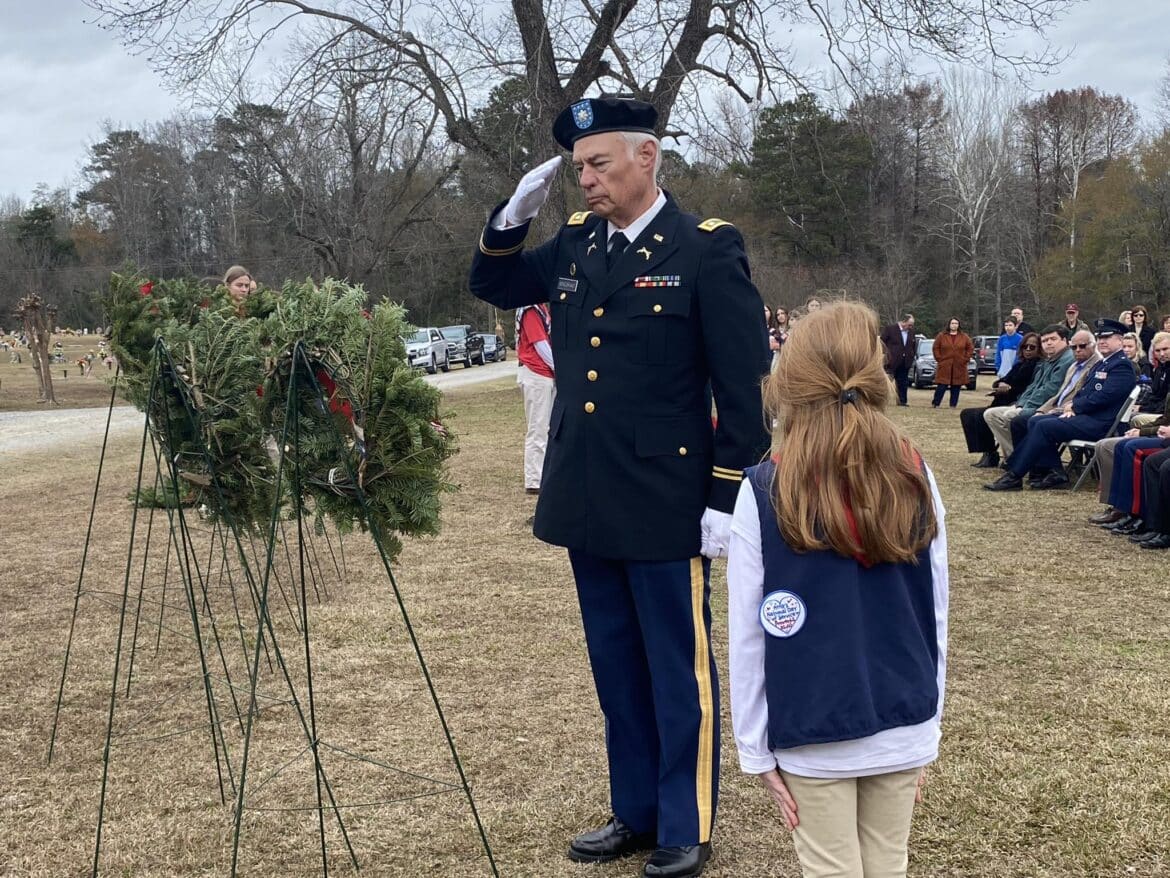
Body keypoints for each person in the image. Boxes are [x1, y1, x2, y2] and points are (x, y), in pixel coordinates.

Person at [468, 95, 770, 878]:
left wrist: (723, 496)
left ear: (648, 157)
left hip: (667, 498)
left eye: (599, 163)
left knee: (675, 669)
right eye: (579, 168)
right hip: (586, 492)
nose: (587, 180)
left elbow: (743, 391)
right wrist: (510, 220)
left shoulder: (705, 248)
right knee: (616, 667)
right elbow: (493, 283)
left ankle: (685, 824)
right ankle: (634, 811)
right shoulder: (575, 242)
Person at [728, 301, 948, 878]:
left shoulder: (763, 489)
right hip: (900, 713)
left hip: (813, 724)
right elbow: (937, 614)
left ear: (790, 384)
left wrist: (755, 748)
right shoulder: (915, 471)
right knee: (887, 866)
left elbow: (747, 636)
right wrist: (926, 725)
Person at [985, 319, 1137, 491]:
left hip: (1101, 422)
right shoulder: (1105, 363)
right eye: (1100, 337)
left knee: (1044, 426)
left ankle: (1014, 475)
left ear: (1120, 340)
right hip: (1087, 416)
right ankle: (1054, 472)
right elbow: (1085, 392)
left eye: (1107, 337)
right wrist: (1071, 404)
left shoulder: (1122, 365)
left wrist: (1075, 407)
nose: (1102, 341)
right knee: (1034, 421)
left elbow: (1105, 397)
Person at [983, 326, 1072, 459]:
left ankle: (1022, 458)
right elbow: (1033, 386)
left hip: (1048, 406)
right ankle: (1016, 457)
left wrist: (1025, 406)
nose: (1048, 343)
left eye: (1053, 339)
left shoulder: (1066, 360)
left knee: (1010, 416)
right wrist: (1020, 404)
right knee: (990, 414)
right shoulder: (1047, 360)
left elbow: (1051, 389)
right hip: (1027, 402)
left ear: (1064, 340)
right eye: (1045, 340)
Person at [962, 332, 1041, 467]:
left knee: (980, 415)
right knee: (968, 414)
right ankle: (989, 452)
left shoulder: (1037, 366)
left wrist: (1009, 388)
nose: (1028, 350)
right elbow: (1000, 381)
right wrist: (1000, 384)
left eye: (1032, 347)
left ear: (1039, 349)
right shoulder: (1019, 365)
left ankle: (994, 454)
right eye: (1025, 347)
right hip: (1002, 400)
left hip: (1015, 402)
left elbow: (1027, 388)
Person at [515, 303, 555, 495]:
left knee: (546, 427)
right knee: (538, 427)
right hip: (536, 373)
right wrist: (559, 366)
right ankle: (534, 479)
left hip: (543, 374)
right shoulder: (530, 309)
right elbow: (540, 344)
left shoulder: (541, 308)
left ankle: (543, 473)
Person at [930, 318, 974, 408]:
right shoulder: (942, 336)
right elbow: (936, 347)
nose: (954, 325)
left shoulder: (964, 336)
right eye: (952, 323)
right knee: (942, 385)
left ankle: (953, 405)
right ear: (949, 324)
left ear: (959, 325)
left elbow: (970, 348)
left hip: (959, 365)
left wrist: (965, 359)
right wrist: (939, 358)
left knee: (956, 386)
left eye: (956, 323)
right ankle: (936, 403)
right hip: (945, 364)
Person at [879, 314, 916, 406]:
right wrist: (886, 355)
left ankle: (902, 401)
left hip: (905, 362)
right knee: (886, 383)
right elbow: (881, 343)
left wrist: (911, 356)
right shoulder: (890, 329)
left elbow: (913, 346)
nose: (911, 327)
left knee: (903, 383)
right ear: (903, 322)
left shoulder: (911, 332)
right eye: (909, 325)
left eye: (912, 325)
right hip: (891, 362)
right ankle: (880, 400)